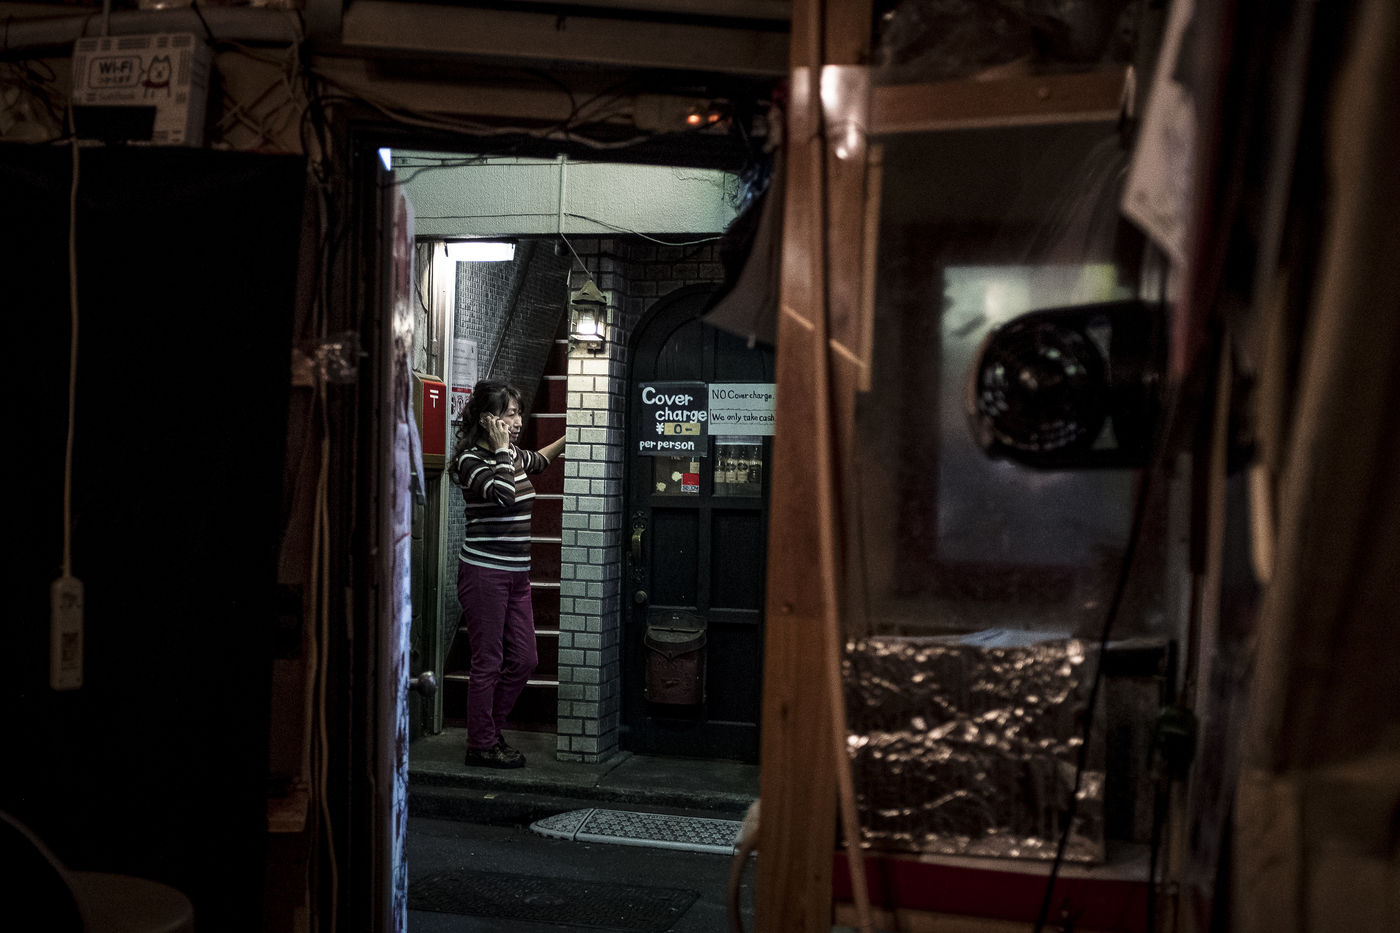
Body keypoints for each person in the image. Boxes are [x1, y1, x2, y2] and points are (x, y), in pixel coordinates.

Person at [448, 379, 565, 768]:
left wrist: (572, 437)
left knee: (526, 660)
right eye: (510, 414)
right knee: (488, 661)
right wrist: (500, 450)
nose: (517, 422)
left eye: (518, 414)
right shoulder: (471, 462)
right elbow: (503, 494)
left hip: (517, 575)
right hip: (484, 573)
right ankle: (481, 744)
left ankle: (488, 730)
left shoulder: (511, 453)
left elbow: (539, 461)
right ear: (488, 419)